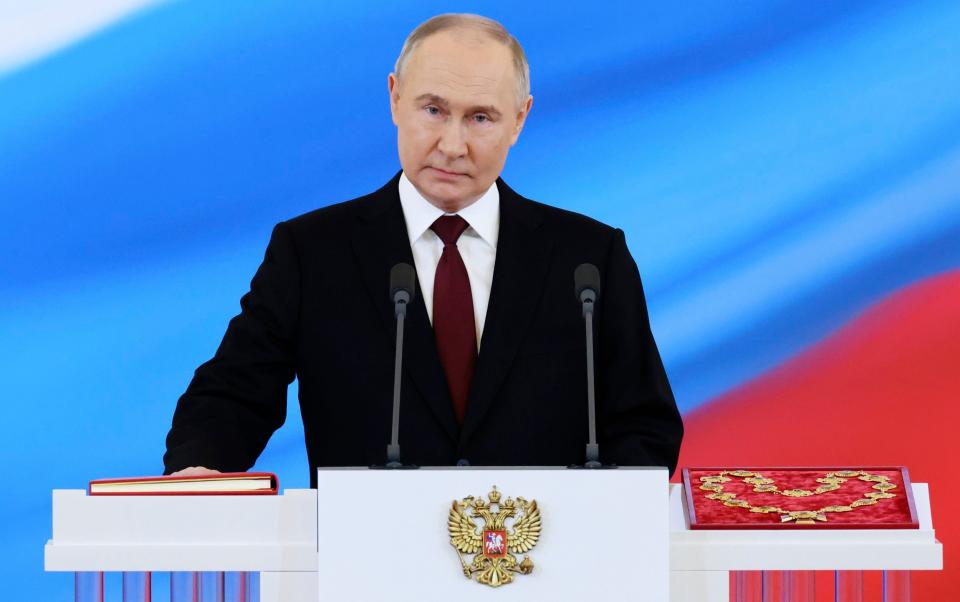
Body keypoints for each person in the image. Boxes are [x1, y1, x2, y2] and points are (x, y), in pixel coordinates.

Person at [164, 14, 682, 485]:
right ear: (394, 98)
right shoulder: (311, 252)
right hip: (366, 567)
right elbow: (232, 395)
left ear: (520, 120)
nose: (453, 145)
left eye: (481, 118)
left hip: (536, 568)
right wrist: (199, 468)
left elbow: (644, 425)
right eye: (433, 110)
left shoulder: (589, 259)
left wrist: (606, 531)